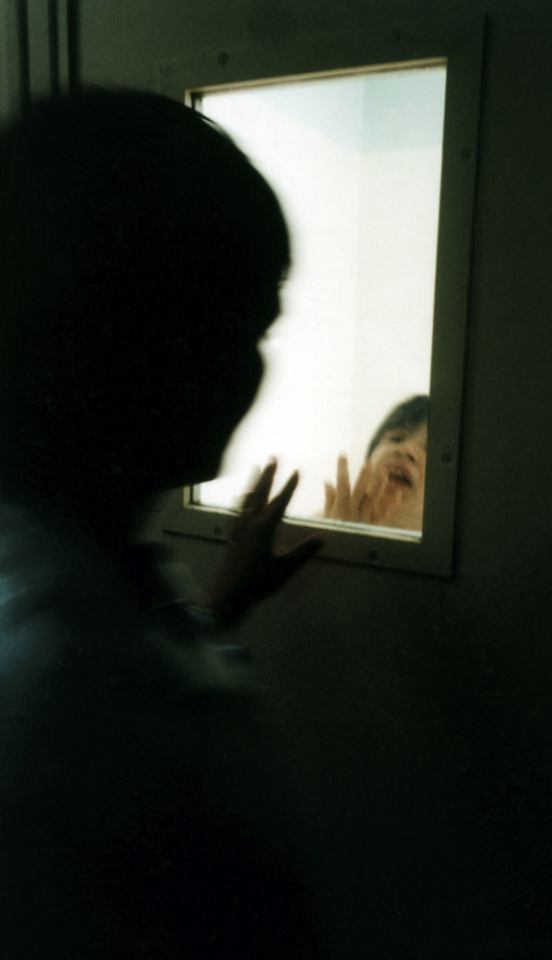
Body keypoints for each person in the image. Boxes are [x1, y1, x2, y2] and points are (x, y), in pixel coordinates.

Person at [0, 90, 322, 958]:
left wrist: (222, 606)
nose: (253, 367)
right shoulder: (51, 679)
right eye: (235, 321)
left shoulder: (93, 551)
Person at [323, 395, 429, 531]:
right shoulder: (319, 526)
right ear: (368, 460)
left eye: (428, 450)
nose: (406, 449)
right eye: (397, 438)